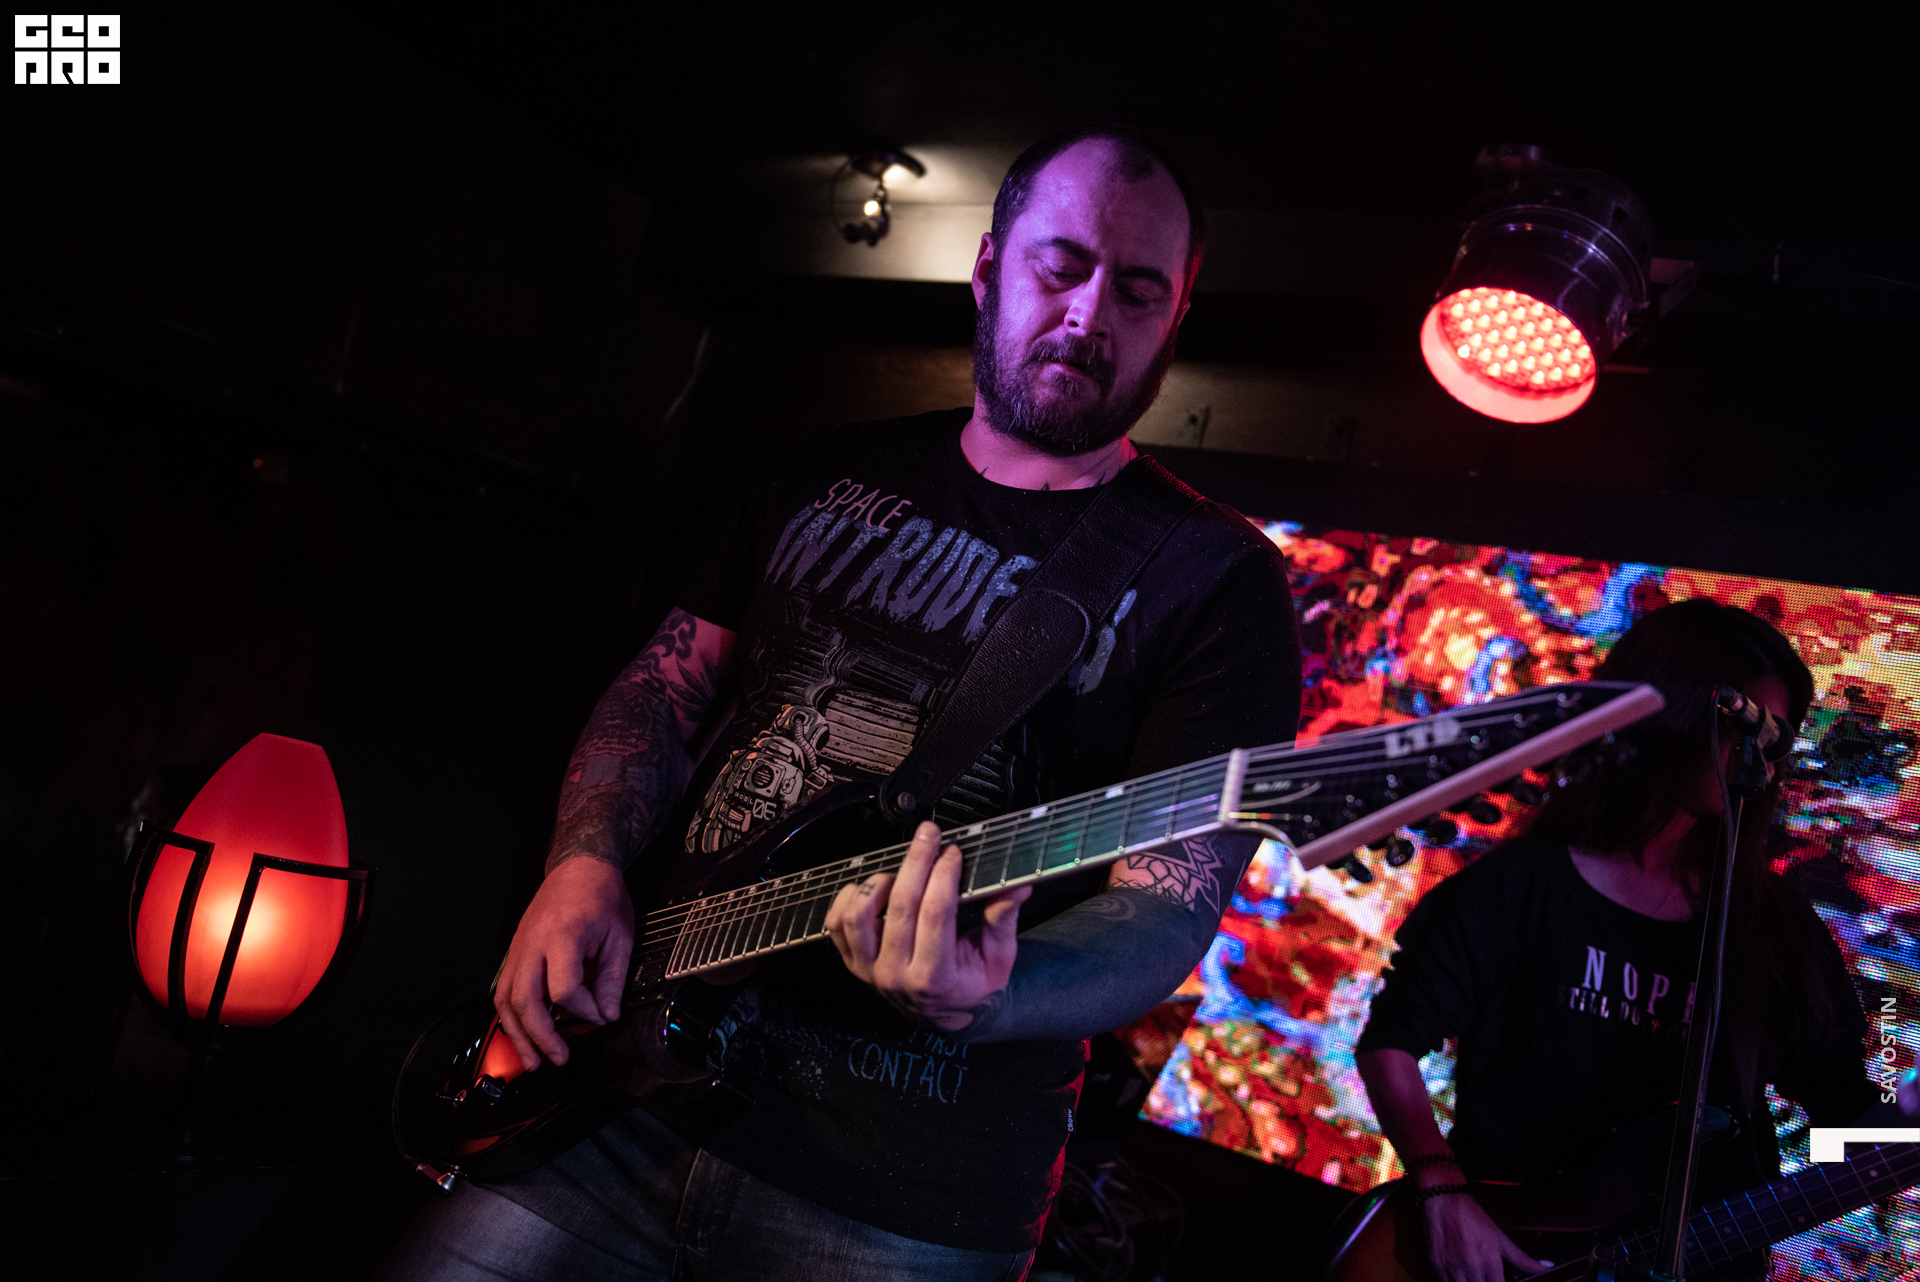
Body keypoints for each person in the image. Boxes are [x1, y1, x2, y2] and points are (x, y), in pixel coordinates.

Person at [378, 124, 1301, 1281]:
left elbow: (1167, 904)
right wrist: (581, 865)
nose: (1089, 313)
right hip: (615, 1092)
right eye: (1061, 266)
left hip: (908, 1199)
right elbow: (664, 688)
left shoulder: (1216, 578)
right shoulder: (826, 470)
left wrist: (996, 992)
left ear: (1175, 318)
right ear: (988, 268)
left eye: (1138, 289)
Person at [1355, 599, 1919, 1282]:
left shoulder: (1774, 928)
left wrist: (1903, 1124)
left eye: (1775, 743)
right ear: (1671, 714)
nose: (1762, 766)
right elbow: (1390, 1042)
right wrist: (1442, 1190)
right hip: (1511, 1252)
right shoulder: (1527, 884)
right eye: (1746, 732)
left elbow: (1841, 1119)